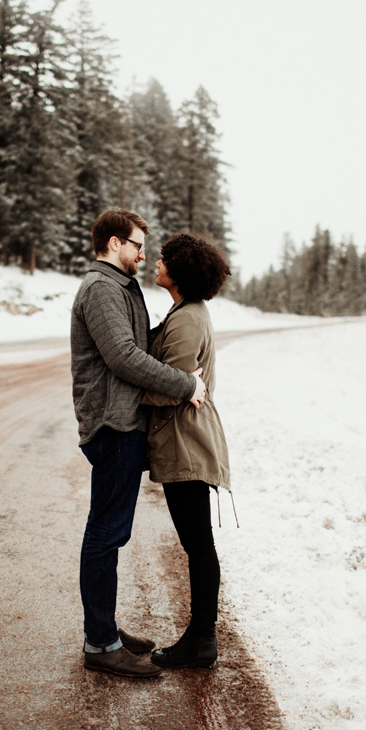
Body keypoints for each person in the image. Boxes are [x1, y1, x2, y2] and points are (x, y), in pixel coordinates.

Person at [70, 208, 208, 678]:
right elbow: (124, 357)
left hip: (125, 423)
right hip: (113, 424)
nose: (143, 254)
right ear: (113, 244)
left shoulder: (119, 287)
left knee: (112, 532)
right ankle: (100, 642)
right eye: (136, 244)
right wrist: (184, 385)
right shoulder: (103, 288)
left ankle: (103, 626)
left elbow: (137, 344)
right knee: (106, 533)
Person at [141, 232, 233, 670]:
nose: (156, 263)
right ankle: (202, 637)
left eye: (163, 259)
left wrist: (136, 390)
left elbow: (171, 388)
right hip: (185, 441)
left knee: (198, 544)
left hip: (188, 444)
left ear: (181, 270)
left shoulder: (188, 319)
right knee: (197, 543)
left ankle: (202, 639)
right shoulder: (185, 311)